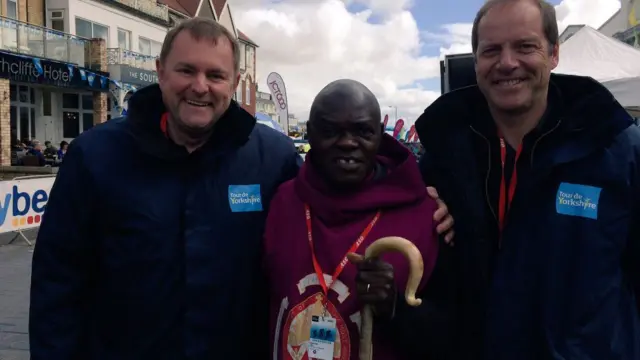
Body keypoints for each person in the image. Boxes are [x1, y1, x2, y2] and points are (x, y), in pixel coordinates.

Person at [29, 18, 303, 360]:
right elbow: (57, 281)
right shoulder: (94, 156)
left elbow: (325, 219)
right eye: (186, 71)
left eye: (215, 76)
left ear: (234, 84)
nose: (200, 87)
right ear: (161, 72)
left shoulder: (273, 159)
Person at [413, 0, 640, 359]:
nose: (507, 63)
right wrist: (419, 214)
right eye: (491, 50)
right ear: (476, 63)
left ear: (553, 54)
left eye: (525, 46)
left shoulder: (617, 151)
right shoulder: (441, 159)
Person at [264, 79, 455, 360]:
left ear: (379, 135)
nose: (348, 143)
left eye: (362, 131)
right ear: (310, 134)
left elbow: (452, 333)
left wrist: (394, 308)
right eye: (330, 131)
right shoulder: (283, 201)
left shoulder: (427, 217)